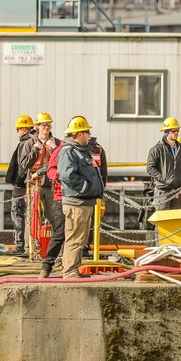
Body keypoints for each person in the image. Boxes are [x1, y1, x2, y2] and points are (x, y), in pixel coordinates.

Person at [56, 116, 105, 278]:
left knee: (80, 238)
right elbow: (67, 176)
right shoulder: (68, 152)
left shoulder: (80, 151)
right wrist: (87, 188)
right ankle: (70, 271)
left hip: (84, 202)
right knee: (75, 238)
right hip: (76, 203)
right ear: (79, 134)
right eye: (87, 132)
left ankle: (74, 269)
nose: (89, 135)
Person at [20, 112, 65, 277]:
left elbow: (60, 162)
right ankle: (30, 248)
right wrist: (35, 150)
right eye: (43, 125)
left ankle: (56, 251)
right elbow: (23, 164)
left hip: (51, 185)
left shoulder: (57, 143)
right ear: (37, 126)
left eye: (48, 125)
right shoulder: (29, 143)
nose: (46, 127)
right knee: (33, 218)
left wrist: (53, 150)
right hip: (34, 185)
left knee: (55, 218)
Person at [146, 117, 181, 213]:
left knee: (176, 221)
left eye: (178, 131)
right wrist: (164, 179)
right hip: (162, 191)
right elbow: (150, 168)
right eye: (174, 131)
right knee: (162, 222)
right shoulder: (157, 149)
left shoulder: (180, 150)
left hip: (176, 191)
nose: (177, 133)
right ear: (166, 132)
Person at [4, 114, 34, 255]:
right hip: (33, 183)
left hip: (22, 185)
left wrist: (19, 182)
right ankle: (31, 245)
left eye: (18, 129)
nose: (17, 132)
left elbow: (22, 166)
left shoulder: (25, 143)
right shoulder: (36, 141)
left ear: (23, 129)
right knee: (32, 215)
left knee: (18, 213)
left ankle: (20, 245)